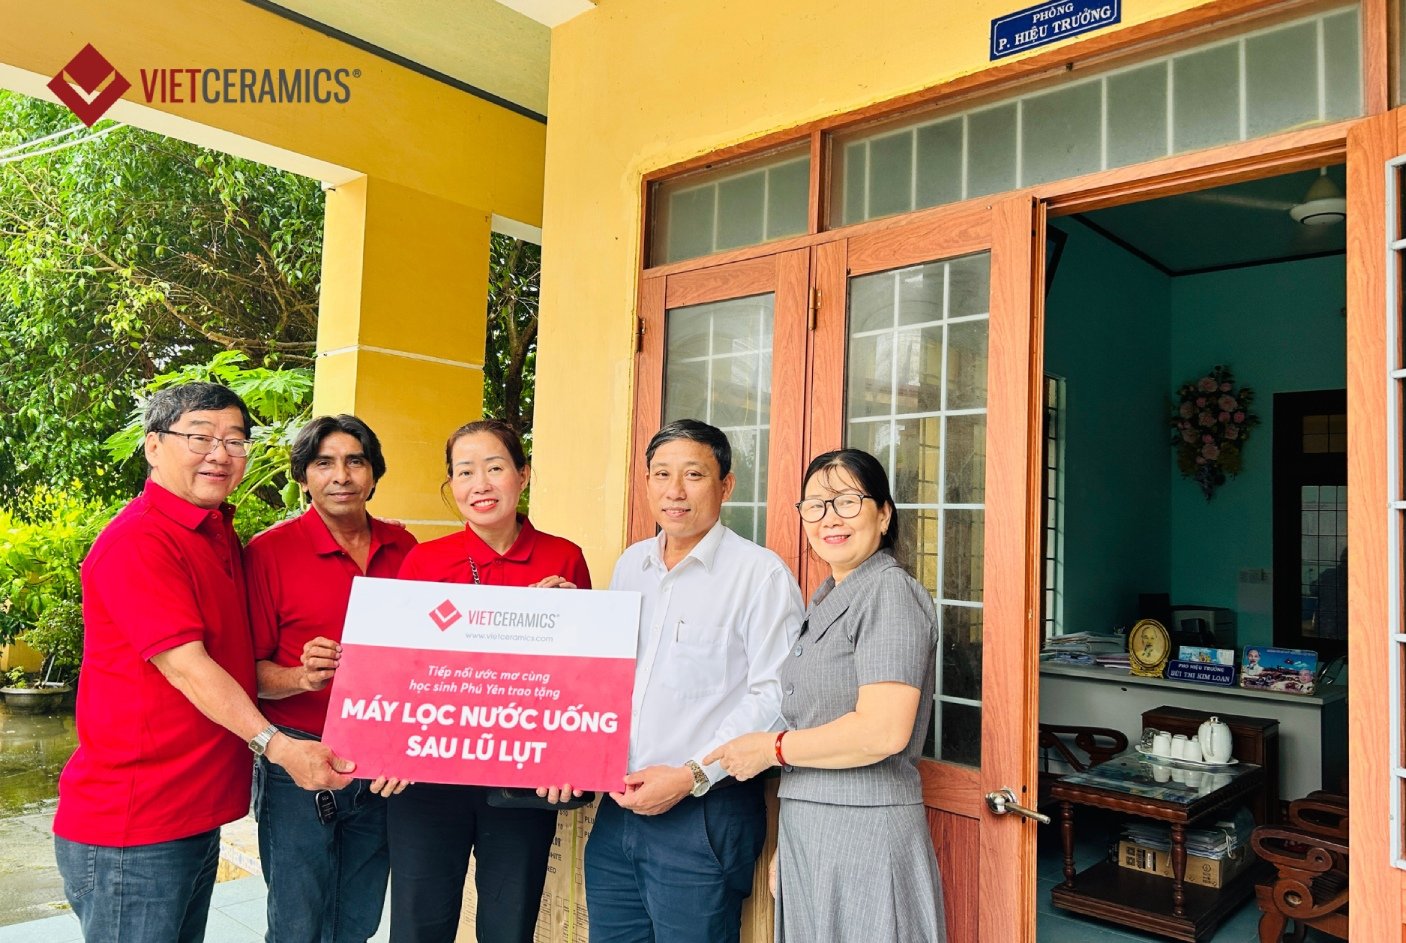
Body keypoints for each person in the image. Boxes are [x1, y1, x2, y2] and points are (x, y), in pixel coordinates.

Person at [53, 382, 356, 943]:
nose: (220, 453)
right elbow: (188, 667)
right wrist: (281, 747)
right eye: (200, 436)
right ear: (152, 446)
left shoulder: (215, 533)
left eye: (235, 440)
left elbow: (240, 659)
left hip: (190, 818)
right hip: (134, 826)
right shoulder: (140, 541)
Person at [704, 447, 946, 942]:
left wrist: (769, 748)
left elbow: (882, 731)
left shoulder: (889, 593)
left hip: (867, 835)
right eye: (814, 505)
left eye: (846, 501)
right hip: (812, 827)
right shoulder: (828, 597)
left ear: (883, 514)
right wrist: (788, 843)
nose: (828, 518)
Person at [585, 419, 804, 943]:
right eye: (661, 474)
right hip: (619, 810)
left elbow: (776, 697)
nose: (674, 491)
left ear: (725, 485)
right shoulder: (631, 565)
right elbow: (610, 671)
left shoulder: (761, 575)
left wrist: (690, 774)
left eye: (693, 474)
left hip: (704, 814)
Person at [386, 418, 591, 943]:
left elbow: (584, 675)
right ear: (451, 487)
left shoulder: (562, 557)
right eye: (465, 472)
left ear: (523, 475)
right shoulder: (424, 561)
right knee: (419, 921)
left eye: (495, 468)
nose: (481, 484)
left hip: (521, 778)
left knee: (509, 923)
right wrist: (383, 750)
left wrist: (573, 618)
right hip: (428, 778)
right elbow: (397, 668)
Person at [245, 415, 419, 943]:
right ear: (303, 477)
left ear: (373, 474)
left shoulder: (405, 547)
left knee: (359, 917)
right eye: (323, 463)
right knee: (298, 921)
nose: (340, 475)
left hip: (381, 758)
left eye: (355, 461)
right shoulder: (269, 552)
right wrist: (302, 676)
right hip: (298, 762)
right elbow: (247, 676)